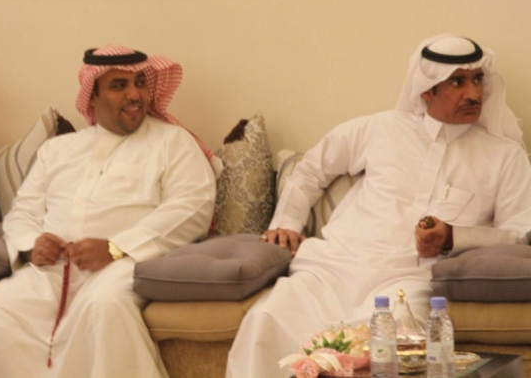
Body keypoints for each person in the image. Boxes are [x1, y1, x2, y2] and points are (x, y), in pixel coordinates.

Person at [226, 35, 531, 377]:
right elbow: (311, 169)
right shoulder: (379, 129)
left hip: (410, 279)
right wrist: (286, 222)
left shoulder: (504, 156)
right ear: (426, 90)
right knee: (265, 318)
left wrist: (452, 237)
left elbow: (519, 233)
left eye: (478, 79)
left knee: (401, 335)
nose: (474, 93)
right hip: (331, 268)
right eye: (457, 82)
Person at [0, 44, 219, 378]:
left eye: (140, 83)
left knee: (103, 305)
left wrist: (115, 248)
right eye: (119, 86)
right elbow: (23, 210)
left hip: (129, 265)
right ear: (92, 97)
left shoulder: (173, 142)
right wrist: (30, 245)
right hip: (53, 271)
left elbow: (192, 207)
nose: (134, 95)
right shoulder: (58, 149)